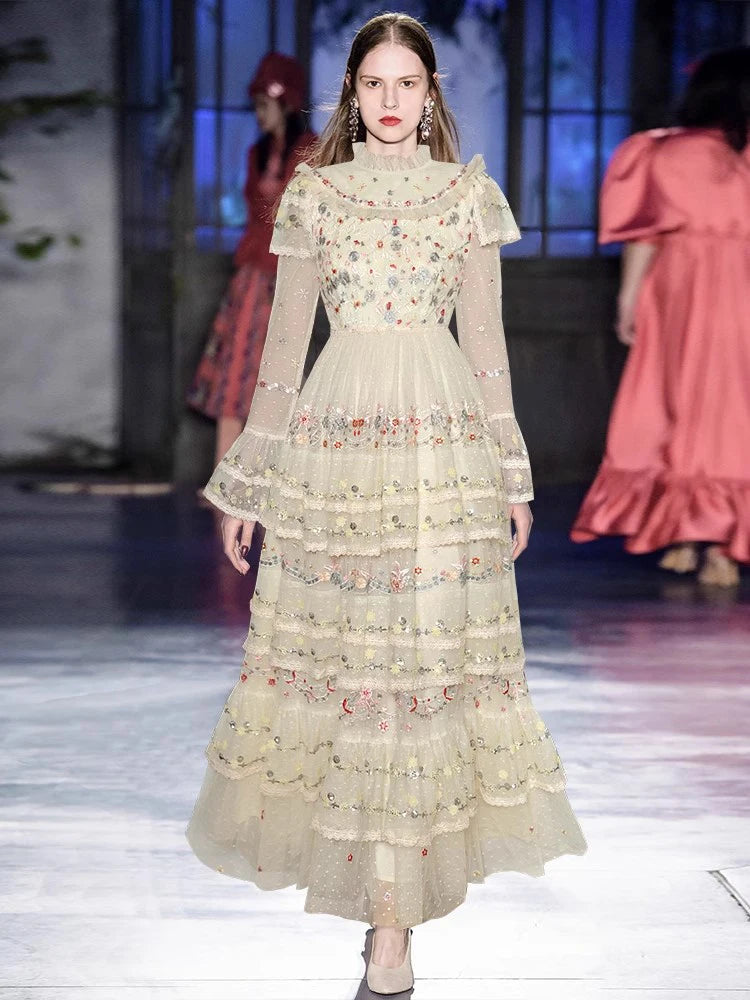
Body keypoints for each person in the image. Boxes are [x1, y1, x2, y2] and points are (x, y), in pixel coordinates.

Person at [185, 13, 587, 994]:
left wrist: (512, 474)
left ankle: (394, 930)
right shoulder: (315, 195)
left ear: (432, 93)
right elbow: (283, 352)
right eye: (375, 84)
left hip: (444, 448)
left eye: (410, 83)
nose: (393, 100)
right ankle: (381, 913)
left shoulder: (466, 194)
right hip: (337, 449)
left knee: (424, 672)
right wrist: (247, 481)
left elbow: (487, 348)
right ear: (352, 95)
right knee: (354, 673)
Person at [570, 47, 750, 587]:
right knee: (729, 410)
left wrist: (628, 299)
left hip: (680, 289)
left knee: (675, 402)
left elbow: (644, 234)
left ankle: (691, 538)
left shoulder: (659, 151)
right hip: (735, 284)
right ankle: (715, 542)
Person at [187, 52, 317, 468]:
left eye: (265, 105)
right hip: (252, 275)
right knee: (236, 368)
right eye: (257, 105)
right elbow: (252, 216)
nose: (259, 114)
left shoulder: (310, 152)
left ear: (287, 104)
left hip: (290, 278)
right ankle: (225, 475)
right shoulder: (257, 153)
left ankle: (277, 477)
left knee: (280, 376)